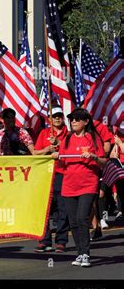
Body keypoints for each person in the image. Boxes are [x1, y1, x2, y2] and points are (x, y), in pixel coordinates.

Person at [51, 108, 107, 267]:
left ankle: (86, 254)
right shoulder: (67, 140)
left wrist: (94, 157)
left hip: (88, 184)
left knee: (82, 218)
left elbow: (104, 162)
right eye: (72, 119)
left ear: (86, 121)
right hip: (69, 185)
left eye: (77, 118)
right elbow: (62, 163)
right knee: (73, 221)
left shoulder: (93, 138)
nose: (73, 121)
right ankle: (80, 253)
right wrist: (56, 155)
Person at [33, 106, 69, 253]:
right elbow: (35, 153)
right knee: (44, 208)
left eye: (59, 115)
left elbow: (73, 150)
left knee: (62, 209)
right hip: (46, 174)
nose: (57, 118)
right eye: (54, 116)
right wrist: (48, 149)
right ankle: (44, 241)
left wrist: (60, 145)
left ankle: (61, 241)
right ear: (49, 119)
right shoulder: (43, 133)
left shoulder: (70, 134)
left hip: (63, 173)